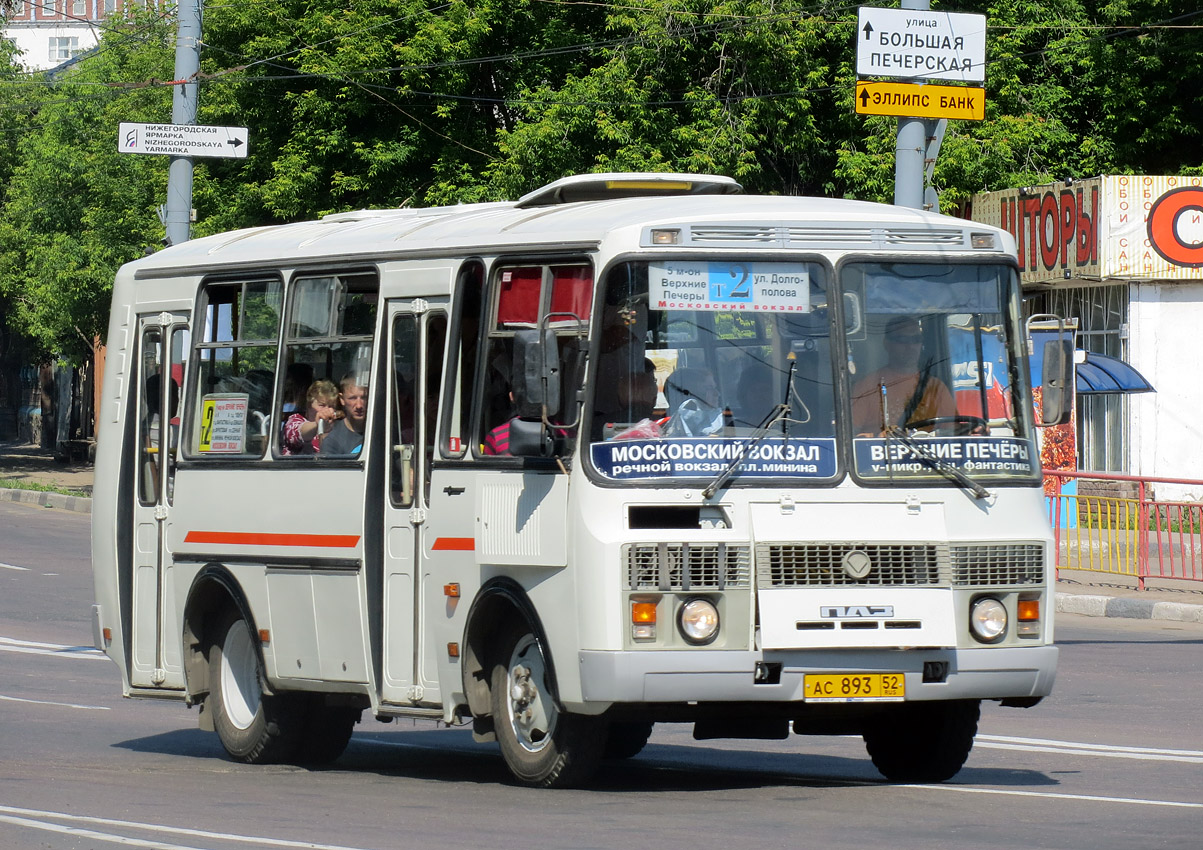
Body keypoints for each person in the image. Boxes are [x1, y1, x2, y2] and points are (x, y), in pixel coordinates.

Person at [851, 316, 955, 436]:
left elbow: (952, 432)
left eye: (916, 339)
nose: (910, 346)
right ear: (887, 344)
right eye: (902, 339)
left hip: (929, 454)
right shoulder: (867, 386)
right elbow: (851, 435)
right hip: (885, 453)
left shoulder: (936, 387)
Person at [281, 379, 340, 455]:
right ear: (309, 405)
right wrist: (318, 425)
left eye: (331, 406)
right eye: (322, 405)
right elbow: (297, 434)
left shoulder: (338, 427)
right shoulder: (294, 421)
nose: (327, 410)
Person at [663, 367, 725, 436]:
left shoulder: (726, 426)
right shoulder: (661, 435)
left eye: (714, 388)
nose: (717, 394)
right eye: (709, 388)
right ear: (690, 394)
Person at [321, 374, 368, 456]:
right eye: (352, 398)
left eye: (364, 397)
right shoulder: (333, 441)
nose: (359, 405)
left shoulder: (385, 433)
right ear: (342, 399)